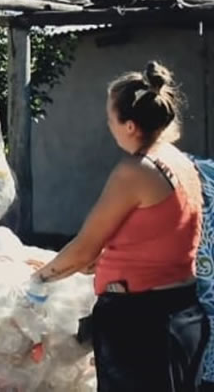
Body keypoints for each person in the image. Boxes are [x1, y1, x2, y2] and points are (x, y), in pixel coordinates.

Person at [33, 61, 209, 392]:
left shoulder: (136, 171)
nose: (108, 126)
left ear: (129, 125)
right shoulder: (179, 162)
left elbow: (85, 247)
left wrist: (38, 279)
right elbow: (156, 239)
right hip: (181, 314)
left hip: (142, 326)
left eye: (110, 118)